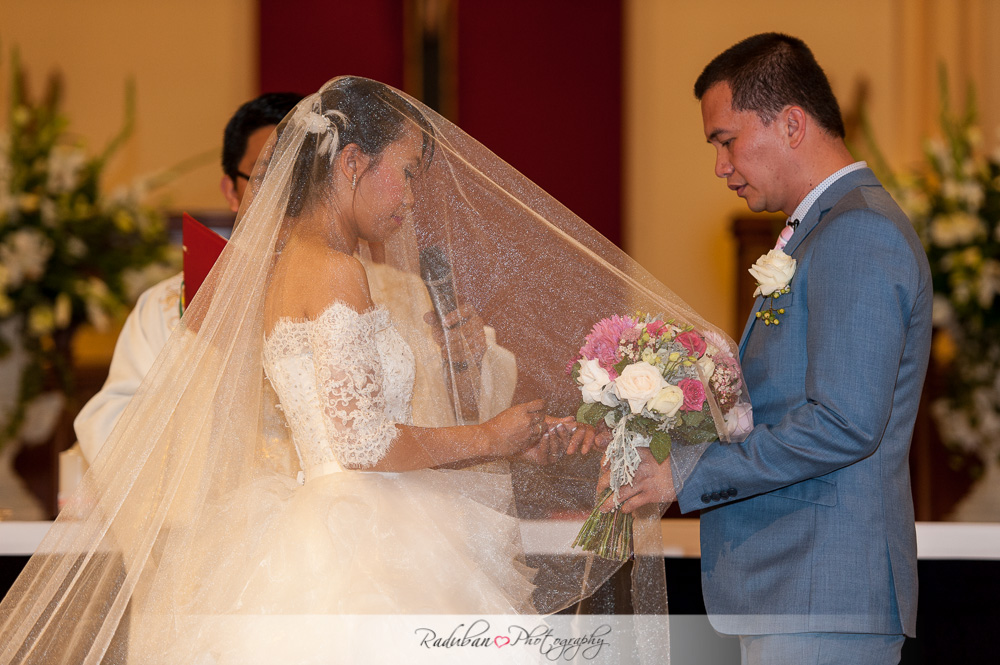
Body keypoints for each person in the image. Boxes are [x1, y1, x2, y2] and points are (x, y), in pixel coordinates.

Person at [0, 77, 742, 664]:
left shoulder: (280, 268)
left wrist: (505, 417)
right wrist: (492, 434)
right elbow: (360, 440)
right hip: (359, 535)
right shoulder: (335, 271)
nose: (413, 197)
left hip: (315, 523)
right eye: (407, 173)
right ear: (352, 162)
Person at [609, 33, 932, 664]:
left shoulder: (858, 230)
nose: (720, 165)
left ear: (790, 124)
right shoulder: (820, 230)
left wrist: (686, 470)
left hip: (820, 588)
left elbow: (844, 423)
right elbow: (783, 402)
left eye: (725, 140)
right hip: (795, 587)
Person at [73, 92, 303, 464]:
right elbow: (110, 428)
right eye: (267, 177)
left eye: (302, 177)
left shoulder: (382, 289)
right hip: (207, 516)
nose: (285, 195)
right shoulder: (166, 305)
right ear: (231, 190)